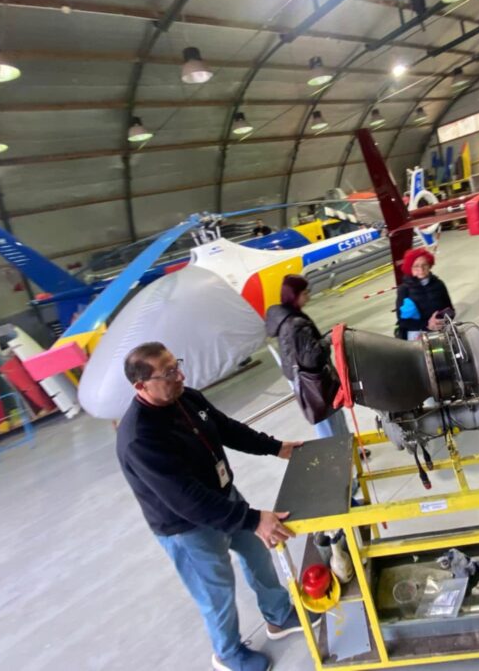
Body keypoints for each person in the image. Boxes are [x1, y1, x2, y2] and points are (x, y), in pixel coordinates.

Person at [115, 342, 316, 671]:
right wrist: (253, 519)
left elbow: (226, 429)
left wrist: (275, 447)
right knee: (216, 591)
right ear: (141, 386)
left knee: (257, 555)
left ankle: (279, 615)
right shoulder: (140, 437)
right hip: (187, 526)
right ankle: (227, 654)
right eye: (168, 373)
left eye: (177, 365)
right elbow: (186, 499)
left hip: (223, 498)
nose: (180, 376)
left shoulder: (185, 397)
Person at [265, 275, 348, 438]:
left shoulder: (285, 318)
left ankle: (343, 445)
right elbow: (313, 357)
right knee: (330, 419)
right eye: (304, 293)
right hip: (312, 382)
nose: (308, 297)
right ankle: (340, 448)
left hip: (301, 379)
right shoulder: (295, 323)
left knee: (327, 419)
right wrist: (330, 338)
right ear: (294, 295)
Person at [395, 248, 455, 340]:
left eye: (424, 265)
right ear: (410, 268)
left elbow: (450, 309)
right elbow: (402, 321)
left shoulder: (439, 284)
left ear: (429, 266)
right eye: (416, 266)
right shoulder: (404, 289)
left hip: (441, 330)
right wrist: (427, 325)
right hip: (417, 335)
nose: (421, 269)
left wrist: (442, 321)